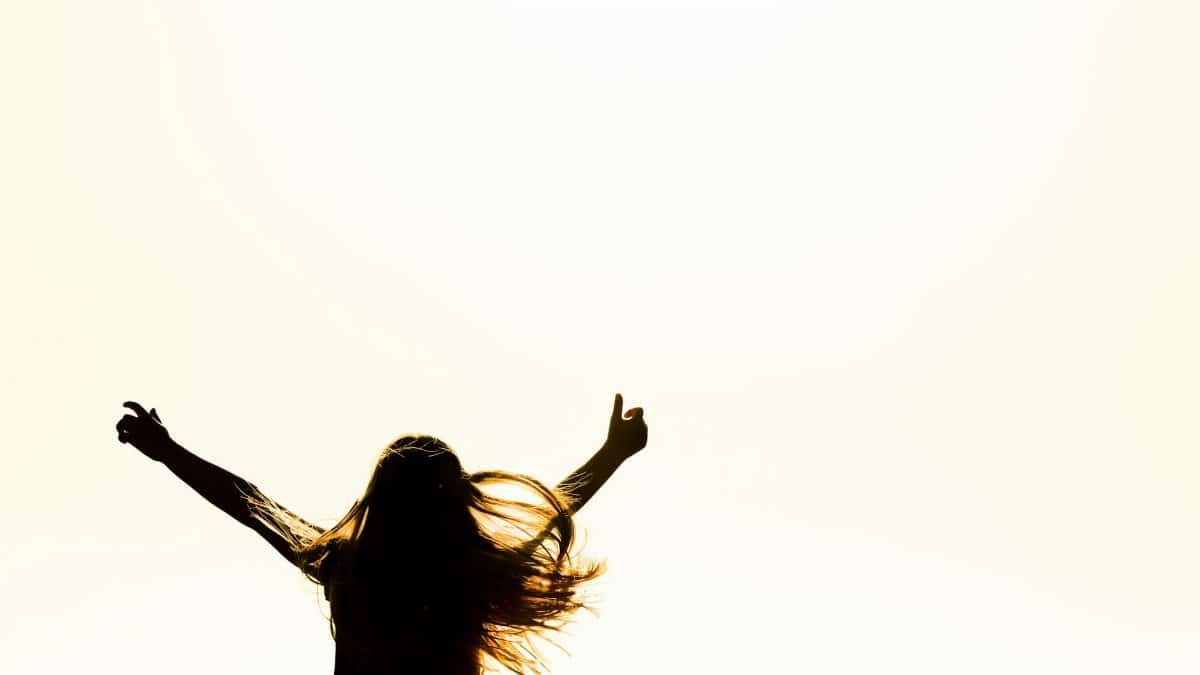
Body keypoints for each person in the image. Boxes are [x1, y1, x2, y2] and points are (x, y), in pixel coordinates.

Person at [115, 394, 648, 675]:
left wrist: (169, 452)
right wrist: (613, 453)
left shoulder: (346, 565)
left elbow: (250, 504)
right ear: (456, 500)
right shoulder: (467, 573)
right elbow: (553, 510)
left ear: (379, 496)